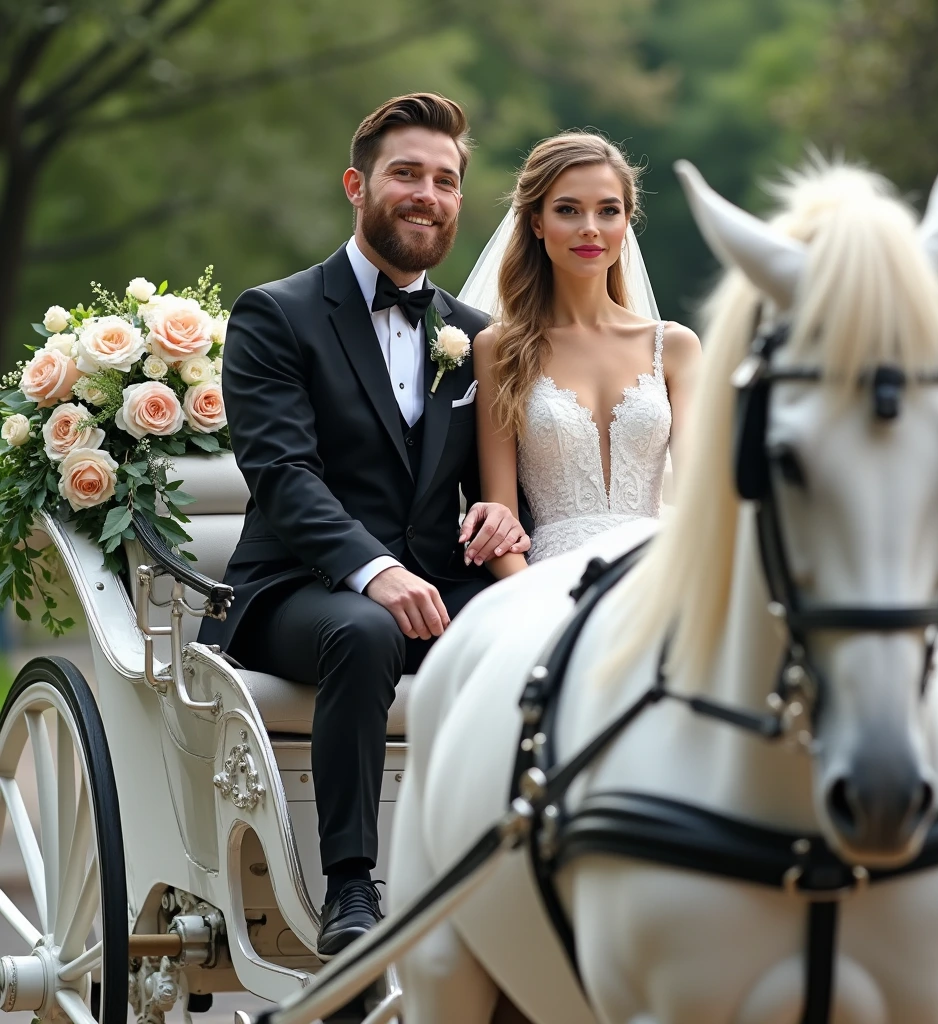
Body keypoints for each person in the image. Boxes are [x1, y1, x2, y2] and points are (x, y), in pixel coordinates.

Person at [197, 93, 530, 957]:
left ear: (461, 200)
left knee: (536, 636)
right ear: (358, 185)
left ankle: (511, 865)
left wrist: (502, 516)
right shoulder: (276, 314)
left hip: (435, 583)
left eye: (446, 181)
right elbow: (281, 474)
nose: (427, 194)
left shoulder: (475, 335)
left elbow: (501, 479)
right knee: (362, 628)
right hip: (296, 592)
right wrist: (373, 570)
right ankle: (351, 885)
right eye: (406, 174)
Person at [461, 132, 701, 573]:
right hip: (549, 582)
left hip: (658, 574)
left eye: (608, 210)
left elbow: (701, 497)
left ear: (626, 221)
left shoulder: (675, 347)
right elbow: (501, 520)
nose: (590, 226)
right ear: (536, 222)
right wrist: (533, 604)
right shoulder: (499, 349)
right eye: (568, 210)